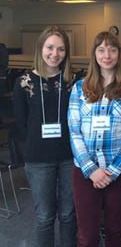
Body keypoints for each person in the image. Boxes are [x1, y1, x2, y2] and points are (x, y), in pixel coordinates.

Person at [68, 31, 121, 246]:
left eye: (112, 50)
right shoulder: (79, 88)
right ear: (94, 54)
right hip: (85, 172)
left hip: (118, 172)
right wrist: (91, 170)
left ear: (119, 54)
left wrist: (112, 171)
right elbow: (74, 131)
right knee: (87, 234)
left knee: (115, 229)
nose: (107, 55)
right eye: (101, 50)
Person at [13, 26, 76, 247]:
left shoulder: (73, 82)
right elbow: (21, 125)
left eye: (61, 49)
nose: (55, 54)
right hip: (38, 159)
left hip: (70, 157)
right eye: (50, 47)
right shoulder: (24, 83)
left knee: (69, 215)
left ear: (66, 52)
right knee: (44, 216)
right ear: (40, 48)